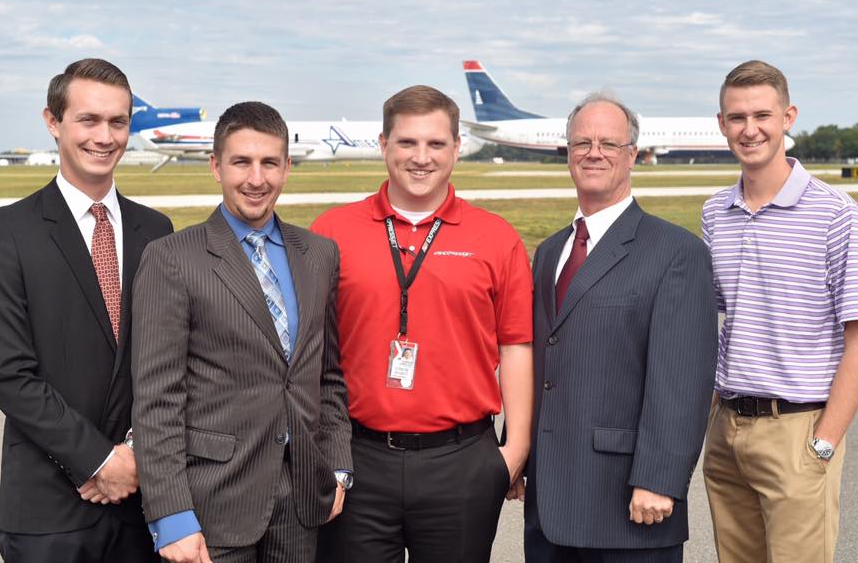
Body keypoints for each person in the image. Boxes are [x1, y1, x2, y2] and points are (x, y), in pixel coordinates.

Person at [312, 85, 534, 563]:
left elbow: (516, 345)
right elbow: (310, 350)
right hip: (358, 457)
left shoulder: (496, 237)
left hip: (461, 461)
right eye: (407, 142)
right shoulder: (332, 232)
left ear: (457, 147)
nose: (421, 157)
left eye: (435, 143)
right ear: (383, 145)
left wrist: (514, 450)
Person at [131, 101, 351, 563]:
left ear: (287, 168)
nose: (256, 178)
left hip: (301, 505)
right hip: (211, 504)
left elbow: (328, 376)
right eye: (241, 162)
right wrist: (171, 515)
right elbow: (157, 399)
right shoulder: (172, 258)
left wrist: (337, 466)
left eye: (269, 162)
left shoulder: (319, 254)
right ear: (216, 167)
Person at [0, 58, 173, 562]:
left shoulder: (157, 231)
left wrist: (134, 457)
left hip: (143, 503)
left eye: (118, 122)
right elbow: (9, 375)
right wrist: (98, 461)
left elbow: (166, 363)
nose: (104, 137)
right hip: (49, 511)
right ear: (52, 121)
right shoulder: (7, 231)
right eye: (88, 120)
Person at [701, 60, 858, 563]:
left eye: (762, 115)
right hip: (727, 430)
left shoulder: (835, 213)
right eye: (737, 117)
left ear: (788, 117)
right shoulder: (715, 213)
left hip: (798, 429)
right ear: (722, 124)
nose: (750, 129)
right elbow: (715, 325)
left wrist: (824, 443)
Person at [525, 93, 718, 562]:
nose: (594, 153)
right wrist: (521, 452)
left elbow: (682, 379)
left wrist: (659, 478)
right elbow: (544, 359)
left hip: (630, 504)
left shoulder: (676, 252)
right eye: (582, 143)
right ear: (568, 153)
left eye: (608, 144)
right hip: (549, 500)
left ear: (632, 155)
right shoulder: (550, 252)